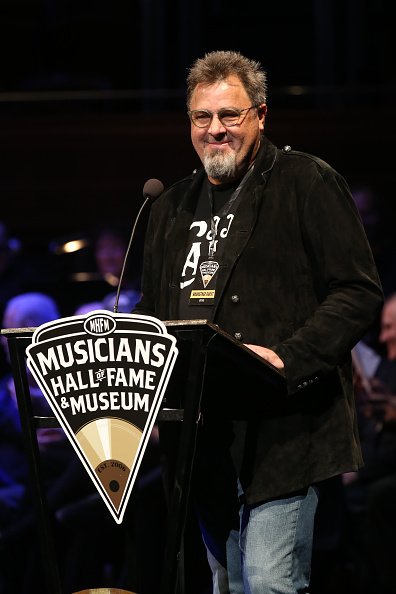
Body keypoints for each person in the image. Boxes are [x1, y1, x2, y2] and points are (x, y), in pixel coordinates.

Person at [132, 50, 383, 594]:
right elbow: (152, 321)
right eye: (203, 117)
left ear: (261, 116)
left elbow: (358, 291)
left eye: (231, 115)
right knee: (228, 583)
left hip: (283, 433)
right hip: (203, 439)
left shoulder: (306, 182)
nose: (215, 130)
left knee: (268, 583)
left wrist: (289, 357)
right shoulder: (169, 207)